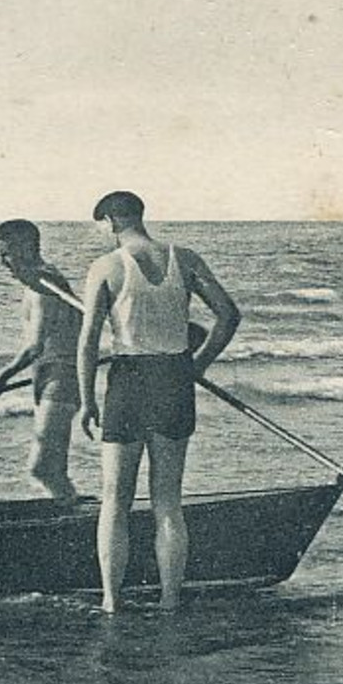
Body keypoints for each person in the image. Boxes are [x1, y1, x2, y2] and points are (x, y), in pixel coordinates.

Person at [77, 190, 240, 614]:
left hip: (128, 381)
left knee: (115, 498)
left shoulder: (106, 267)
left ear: (111, 220)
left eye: (100, 224)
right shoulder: (184, 259)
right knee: (167, 499)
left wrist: (85, 400)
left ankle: (112, 600)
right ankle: (170, 600)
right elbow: (228, 315)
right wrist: (197, 365)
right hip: (173, 378)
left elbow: (88, 342)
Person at [0, 218, 80, 504]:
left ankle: (69, 511)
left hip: (60, 377)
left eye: (6, 255)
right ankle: (68, 508)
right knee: (54, 469)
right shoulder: (43, 280)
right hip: (49, 374)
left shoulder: (44, 286)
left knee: (42, 468)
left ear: (27, 249)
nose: (3, 264)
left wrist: (2, 377)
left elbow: (35, 346)